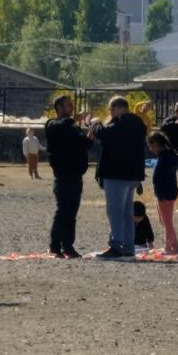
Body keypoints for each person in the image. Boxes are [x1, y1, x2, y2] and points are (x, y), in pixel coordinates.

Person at [92, 96, 148, 258]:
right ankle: (129, 247)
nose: (110, 113)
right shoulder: (138, 123)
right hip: (132, 174)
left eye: (111, 109)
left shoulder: (121, 122)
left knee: (115, 211)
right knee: (126, 211)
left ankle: (116, 245)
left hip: (116, 173)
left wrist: (95, 123)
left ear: (117, 108)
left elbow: (103, 133)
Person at [44, 95, 91, 258]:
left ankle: (64, 246)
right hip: (63, 176)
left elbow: (85, 144)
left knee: (71, 212)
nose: (70, 108)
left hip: (76, 175)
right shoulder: (53, 124)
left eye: (71, 106)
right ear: (58, 108)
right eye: (67, 106)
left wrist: (91, 130)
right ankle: (58, 245)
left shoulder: (73, 127)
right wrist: (75, 118)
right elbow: (62, 125)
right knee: (64, 211)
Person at [149, 130, 178, 255]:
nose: (150, 149)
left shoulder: (165, 157)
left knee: (167, 222)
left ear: (156, 144)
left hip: (165, 193)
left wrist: (160, 195)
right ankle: (175, 246)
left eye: (151, 145)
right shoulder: (168, 155)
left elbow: (160, 177)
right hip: (166, 192)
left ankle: (170, 248)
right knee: (165, 220)